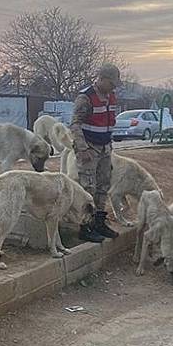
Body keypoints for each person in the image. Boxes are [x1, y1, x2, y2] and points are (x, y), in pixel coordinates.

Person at [70, 64, 122, 243]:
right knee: (88, 187)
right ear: (100, 79)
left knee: (103, 186)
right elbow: (75, 124)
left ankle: (99, 222)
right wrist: (83, 148)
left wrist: (109, 147)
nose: (113, 87)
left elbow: (109, 123)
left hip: (105, 147)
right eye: (110, 83)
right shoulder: (85, 97)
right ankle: (85, 226)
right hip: (89, 148)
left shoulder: (111, 97)